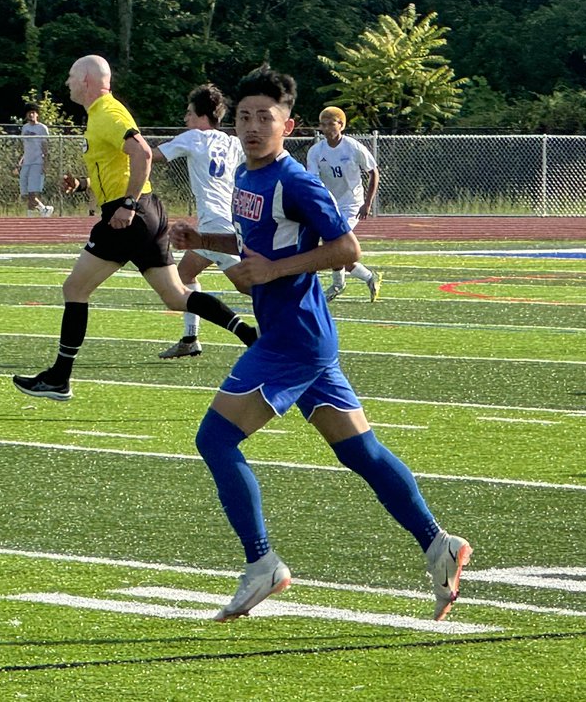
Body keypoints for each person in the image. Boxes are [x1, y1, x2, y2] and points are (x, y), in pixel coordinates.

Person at [170, 65, 470, 622]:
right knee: (361, 452)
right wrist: (203, 239)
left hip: (294, 340)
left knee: (214, 440)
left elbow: (347, 249)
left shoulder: (296, 180)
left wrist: (270, 272)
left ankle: (263, 565)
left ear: (289, 124)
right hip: (304, 339)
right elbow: (252, 240)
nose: (253, 126)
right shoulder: (245, 176)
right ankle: (440, 546)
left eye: (265, 117)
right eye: (244, 116)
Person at [11, 54, 257, 402]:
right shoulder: (101, 114)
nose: (66, 82)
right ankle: (251, 336)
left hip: (130, 214)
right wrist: (84, 185)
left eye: (70, 75)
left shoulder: (107, 112)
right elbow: (117, 168)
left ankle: (59, 378)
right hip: (147, 211)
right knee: (176, 295)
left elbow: (141, 152)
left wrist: (127, 204)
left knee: (75, 289)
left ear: (86, 80)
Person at [151, 83, 247, 359]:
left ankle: (294, 313)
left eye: (189, 113)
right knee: (183, 276)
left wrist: (125, 145)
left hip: (215, 225)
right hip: (224, 220)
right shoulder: (231, 141)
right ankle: (190, 338)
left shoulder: (194, 137)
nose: (186, 118)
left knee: (250, 286)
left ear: (202, 116)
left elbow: (153, 156)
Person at [305, 106, 381, 301]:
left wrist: (367, 203)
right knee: (332, 246)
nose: (328, 128)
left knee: (337, 245)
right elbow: (312, 180)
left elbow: (373, 172)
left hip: (351, 205)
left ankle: (340, 284)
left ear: (341, 125)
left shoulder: (353, 147)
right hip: (329, 204)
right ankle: (367, 277)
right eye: (324, 124)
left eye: (332, 123)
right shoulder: (316, 151)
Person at [16, 102, 53, 217]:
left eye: (33, 113)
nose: (31, 115)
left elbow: (45, 147)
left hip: (37, 163)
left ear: (37, 114)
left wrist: (45, 164)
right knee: (24, 193)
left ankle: (35, 213)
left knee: (33, 192)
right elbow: (24, 147)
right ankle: (42, 209)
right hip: (26, 162)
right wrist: (20, 161)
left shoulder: (42, 128)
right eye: (29, 113)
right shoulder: (25, 128)